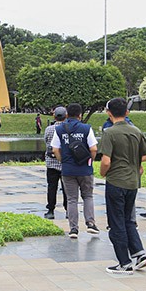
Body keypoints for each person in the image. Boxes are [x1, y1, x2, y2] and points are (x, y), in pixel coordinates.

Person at [99, 97, 146, 275]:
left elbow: (106, 161)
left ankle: (124, 263)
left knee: (116, 222)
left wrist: (102, 173)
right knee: (128, 219)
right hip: (132, 182)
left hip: (116, 181)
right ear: (127, 112)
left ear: (109, 113)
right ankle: (140, 254)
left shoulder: (109, 132)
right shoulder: (136, 131)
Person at [51, 102, 98, 238]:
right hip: (84, 169)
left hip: (68, 170)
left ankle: (73, 229)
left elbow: (55, 149)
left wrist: (63, 161)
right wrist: (90, 161)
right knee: (87, 196)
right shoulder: (86, 128)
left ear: (66, 115)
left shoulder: (59, 130)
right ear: (80, 115)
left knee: (72, 199)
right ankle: (90, 223)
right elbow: (93, 148)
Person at [43, 107, 68, 220]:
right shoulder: (68, 128)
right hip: (65, 163)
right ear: (66, 116)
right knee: (67, 188)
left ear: (54, 116)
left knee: (52, 187)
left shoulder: (49, 129)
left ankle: (50, 210)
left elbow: (46, 141)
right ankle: (68, 210)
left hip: (51, 163)